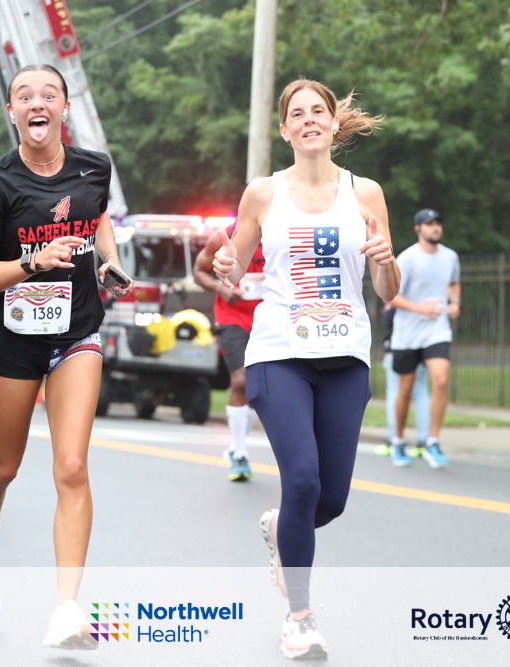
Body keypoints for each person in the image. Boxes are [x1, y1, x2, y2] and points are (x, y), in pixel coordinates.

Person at [212, 78, 399, 660]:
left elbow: (387, 290)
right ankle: (300, 616)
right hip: (279, 353)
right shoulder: (263, 194)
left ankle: (280, 528)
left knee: (330, 499)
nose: (310, 119)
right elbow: (233, 269)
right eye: (298, 113)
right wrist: (225, 263)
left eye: (319, 110)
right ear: (285, 128)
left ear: (334, 123)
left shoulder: (365, 193)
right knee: (302, 481)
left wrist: (386, 260)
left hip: (345, 356)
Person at [0, 64, 132, 651]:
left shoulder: (94, 166)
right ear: (12, 112)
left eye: (48, 94)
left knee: (72, 467)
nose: (37, 103)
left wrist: (107, 261)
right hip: (14, 338)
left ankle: (66, 609)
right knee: (2, 468)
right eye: (24, 96)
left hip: (76, 332)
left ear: (64, 108)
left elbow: (97, 215)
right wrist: (34, 261)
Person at [388, 208, 461, 468]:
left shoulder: (450, 257)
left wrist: (455, 303)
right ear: (418, 229)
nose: (436, 227)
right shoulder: (407, 258)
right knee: (405, 390)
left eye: (438, 223)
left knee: (441, 380)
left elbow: (453, 283)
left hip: (436, 330)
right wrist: (421, 309)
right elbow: (391, 296)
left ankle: (432, 442)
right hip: (407, 334)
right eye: (429, 224)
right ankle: (398, 440)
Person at [192, 220, 265, 481]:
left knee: (260, 388)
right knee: (240, 380)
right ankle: (240, 453)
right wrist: (220, 288)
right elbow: (199, 271)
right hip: (233, 316)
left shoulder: (284, 229)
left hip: (269, 317)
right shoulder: (224, 236)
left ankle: (236, 445)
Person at [380, 302, 430, 460]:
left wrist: (388, 307)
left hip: (400, 348)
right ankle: (424, 442)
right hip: (422, 349)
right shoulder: (427, 298)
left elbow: (387, 321)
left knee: (395, 391)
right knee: (421, 392)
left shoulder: (400, 297)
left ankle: (393, 438)